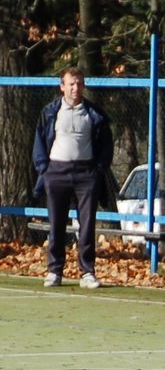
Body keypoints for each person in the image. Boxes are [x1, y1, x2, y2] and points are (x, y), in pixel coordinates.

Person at [32, 67, 114, 289]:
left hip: (86, 174)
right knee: (56, 224)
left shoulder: (94, 113)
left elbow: (106, 145)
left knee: (86, 225)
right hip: (56, 172)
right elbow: (39, 142)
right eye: (71, 84)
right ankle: (54, 271)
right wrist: (44, 170)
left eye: (79, 83)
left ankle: (87, 272)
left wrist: (99, 169)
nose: (75, 88)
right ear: (62, 87)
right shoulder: (50, 112)